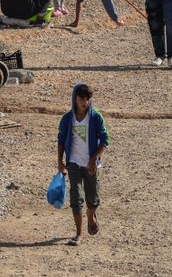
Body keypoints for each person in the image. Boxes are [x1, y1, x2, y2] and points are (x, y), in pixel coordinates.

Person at [56, 83, 108, 247]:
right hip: (73, 164)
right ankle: (79, 234)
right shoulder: (67, 119)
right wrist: (60, 161)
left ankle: (91, 216)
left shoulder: (96, 117)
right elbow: (61, 140)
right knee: (76, 198)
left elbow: (105, 140)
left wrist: (94, 159)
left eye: (87, 99)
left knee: (92, 198)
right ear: (75, 99)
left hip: (91, 166)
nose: (84, 103)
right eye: (81, 99)